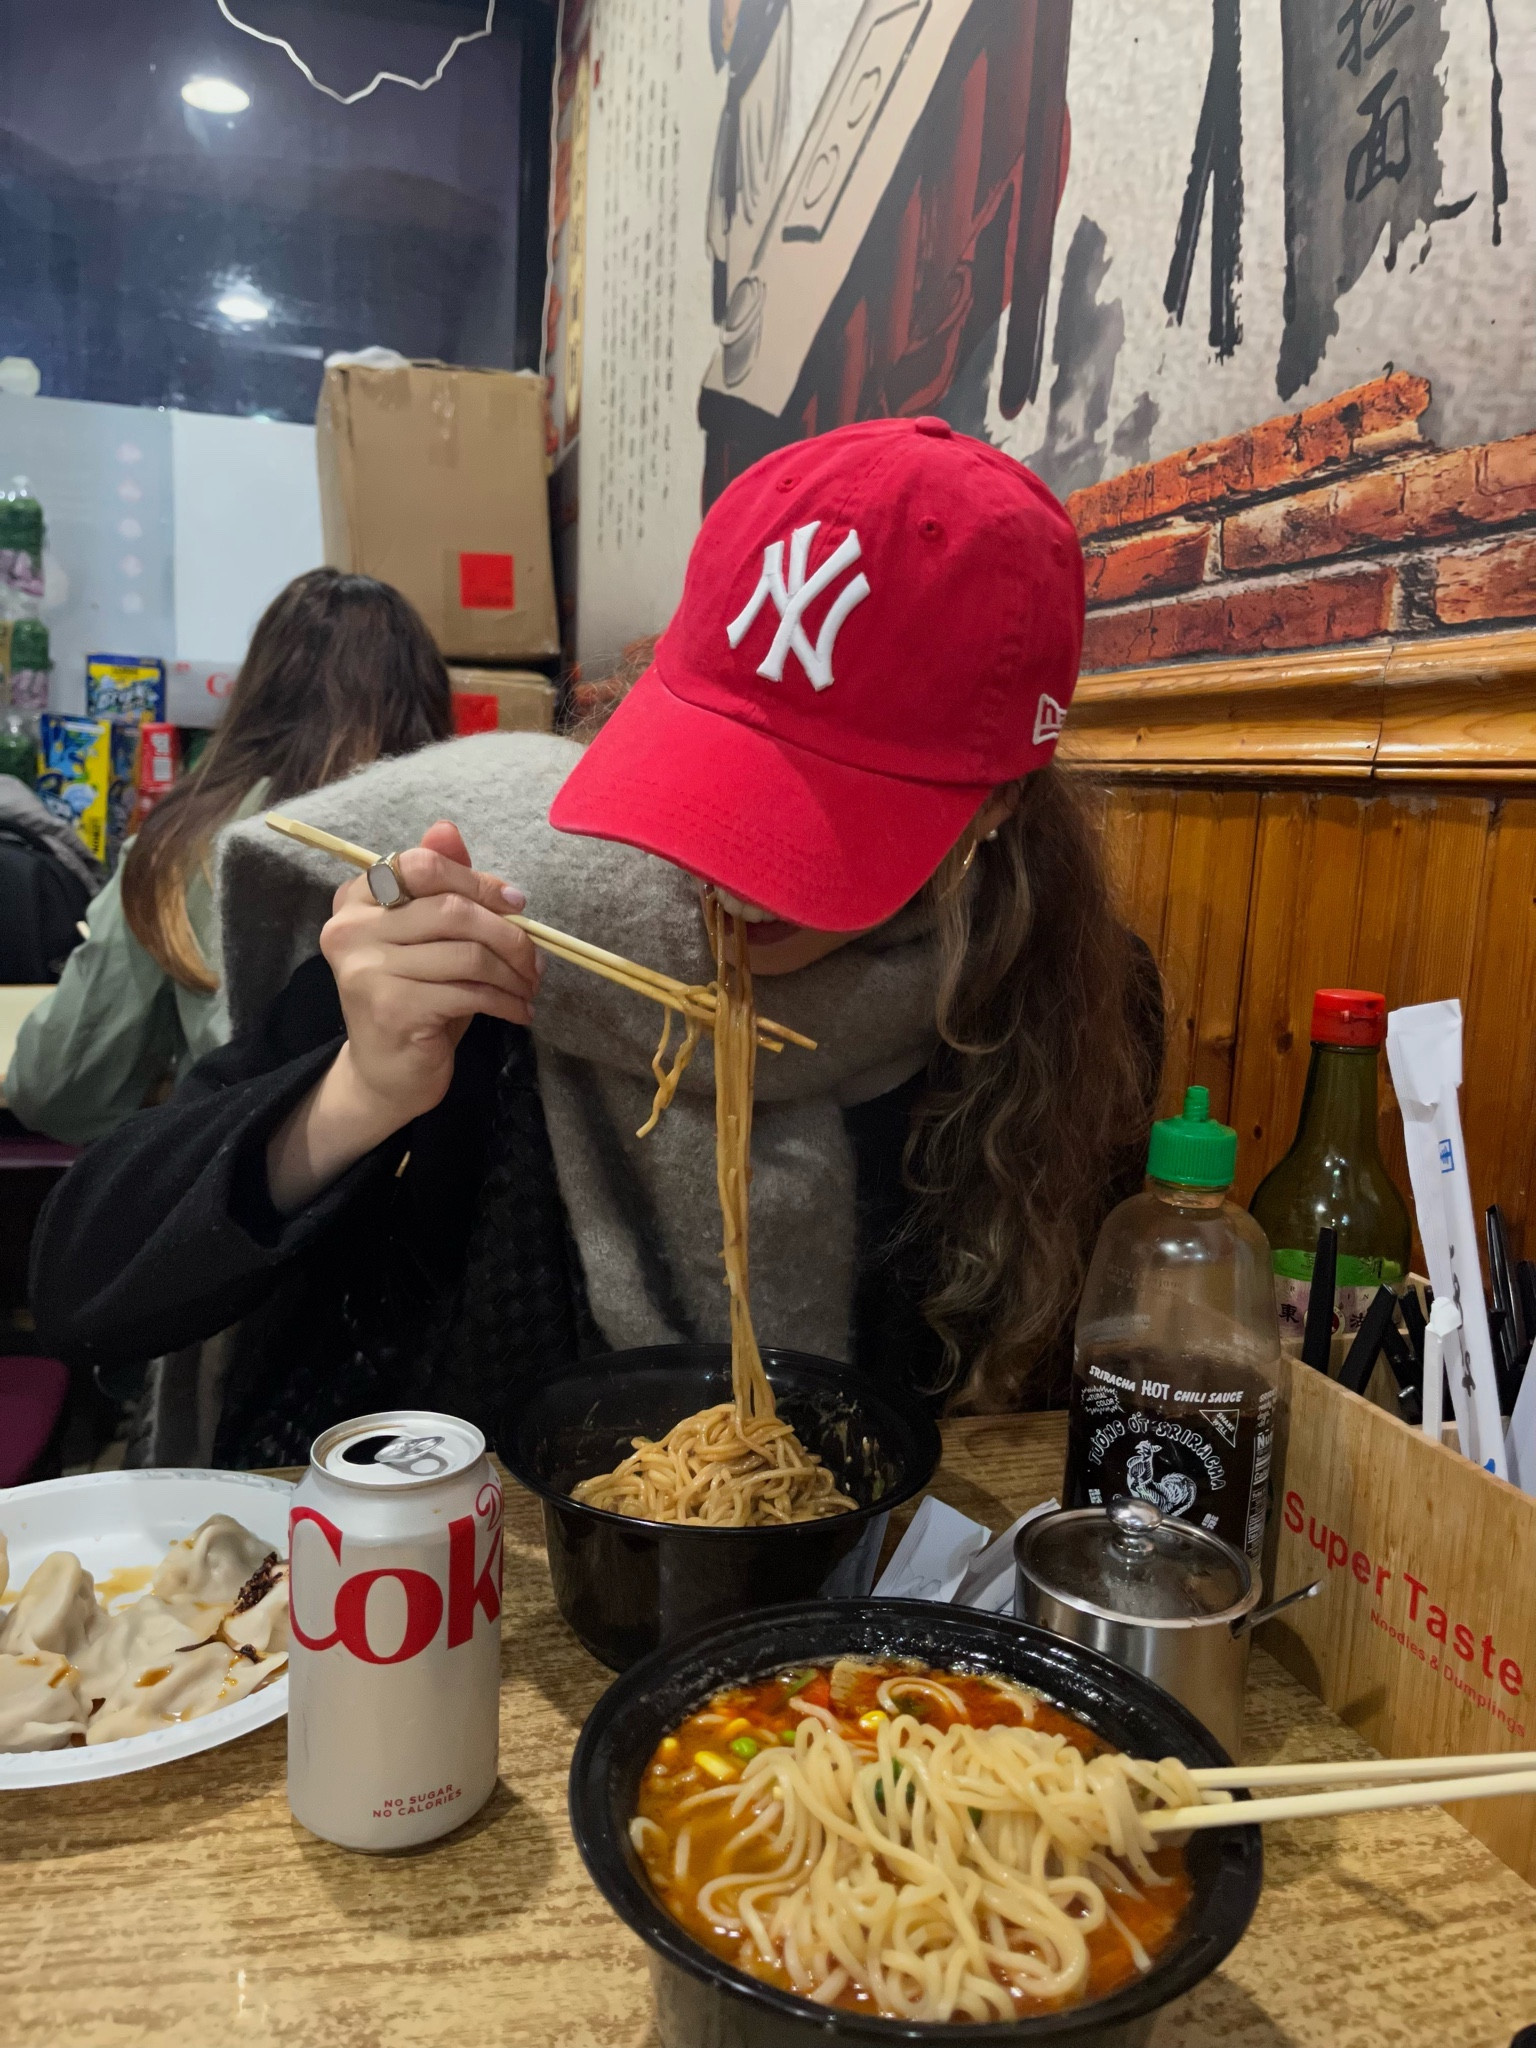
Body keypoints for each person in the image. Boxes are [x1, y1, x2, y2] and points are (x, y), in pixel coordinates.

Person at [30, 419, 1163, 1467]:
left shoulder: (1056, 1006)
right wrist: (353, 1093)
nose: (735, 872)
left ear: (999, 803)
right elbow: (86, 1281)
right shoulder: (496, 916)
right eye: (722, 773)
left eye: (825, 811)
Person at [6, 570, 453, 1143]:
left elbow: (56, 1087)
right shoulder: (455, 841)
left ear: (257, 692)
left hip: (248, 1187)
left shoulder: (182, 845)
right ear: (427, 694)